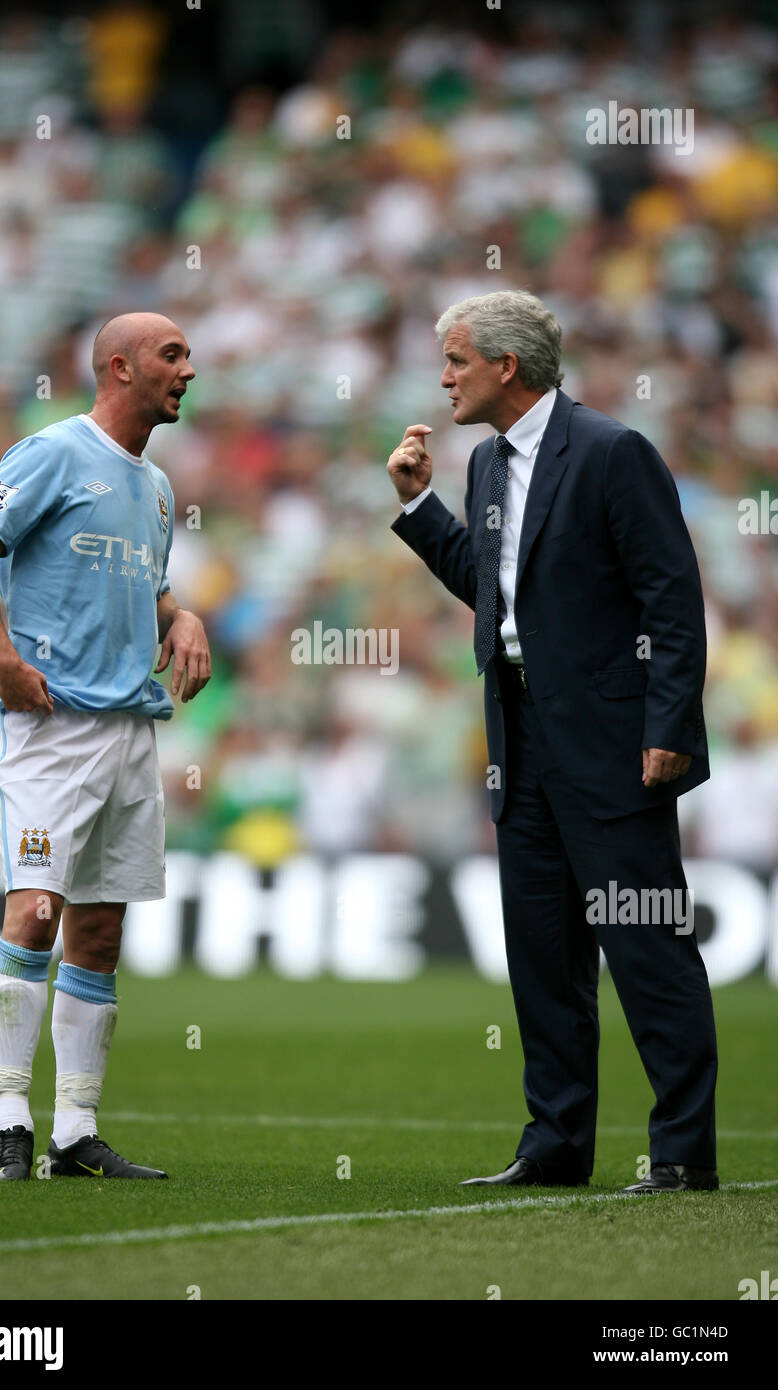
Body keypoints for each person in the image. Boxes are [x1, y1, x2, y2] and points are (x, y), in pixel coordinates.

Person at [387, 290, 718, 1195]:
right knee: (543, 957)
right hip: (520, 740)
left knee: (646, 950)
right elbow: (495, 598)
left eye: (456, 359)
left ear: (506, 366)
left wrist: (669, 726)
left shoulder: (614, 453)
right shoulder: (486, 468)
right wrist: (421, 512)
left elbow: (672, 598)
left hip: (615, 744)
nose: (443, 376)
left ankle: (684, 1153)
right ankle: (556, 1146)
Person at [0, 311, 210, 1180]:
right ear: (118, 366)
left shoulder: (159, 487)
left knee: (98, 934)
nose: (188, 369)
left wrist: (187, 617)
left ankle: (73, 1135)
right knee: (36, 913)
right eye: (172, 355)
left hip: (130, 731)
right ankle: (10, 1125)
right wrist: (4, 664)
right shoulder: (54, 451)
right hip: (51, 730)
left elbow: (153, 590)